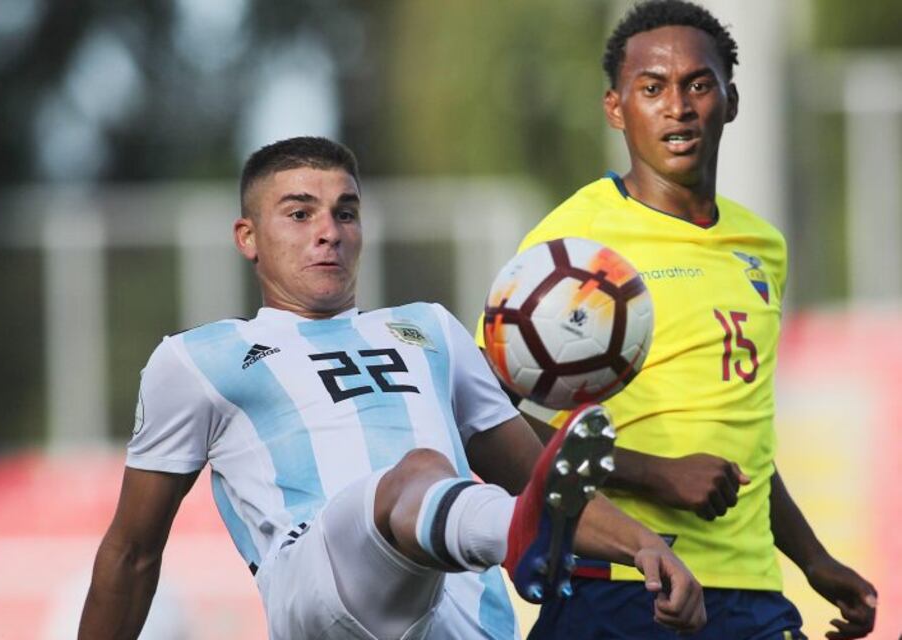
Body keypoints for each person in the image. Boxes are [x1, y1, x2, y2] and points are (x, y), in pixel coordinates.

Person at [78, 136, 705, 640]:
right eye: (299, 213)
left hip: (465, 618)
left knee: (451, 487)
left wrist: (644, 545)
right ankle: (521, 540)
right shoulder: (198, 359)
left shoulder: (430, 328)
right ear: (248, 237)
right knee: (420, 472)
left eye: (344, 212)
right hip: (320, 590)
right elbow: (133, 553)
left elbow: (537, 475)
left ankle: (522, 538)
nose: (329, 230)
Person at [489, 2, 879, 638]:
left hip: (752, 595)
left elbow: (741, 437)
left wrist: (813, 560)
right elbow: (491, 419)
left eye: (699, 84)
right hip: (620, 586)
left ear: (730, 101)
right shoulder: (572, 244)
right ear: (616, 108)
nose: (678, 106)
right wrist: (654, 473)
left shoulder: (763, 246)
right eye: (652, 88)